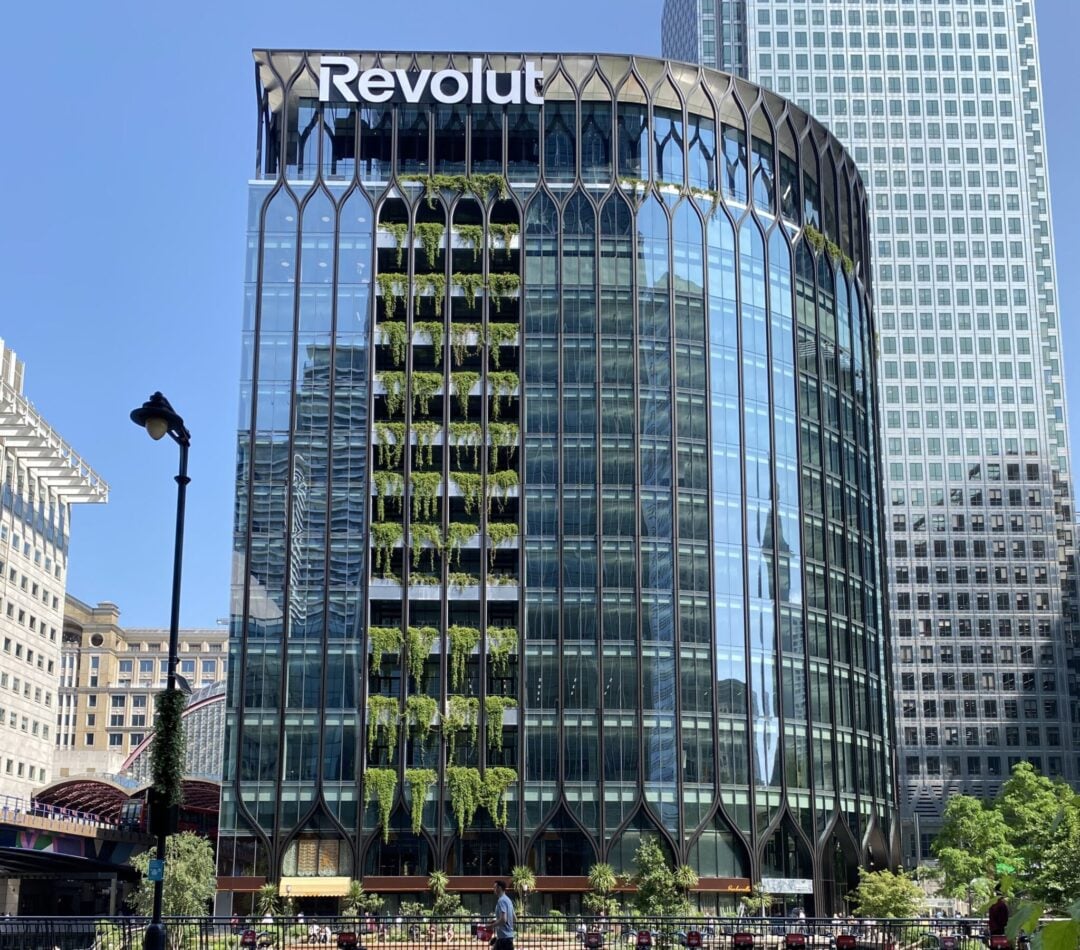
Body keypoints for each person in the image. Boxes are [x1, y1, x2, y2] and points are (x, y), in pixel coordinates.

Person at [491, 880, 516, 950]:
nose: (494, 889)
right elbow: (514, 918)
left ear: (499, 888)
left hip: (503, 939)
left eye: (494, 887)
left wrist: (491, 926)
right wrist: (496, 921)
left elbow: (503, 919)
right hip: (509, 937)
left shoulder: (501, 900)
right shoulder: (508, 900)